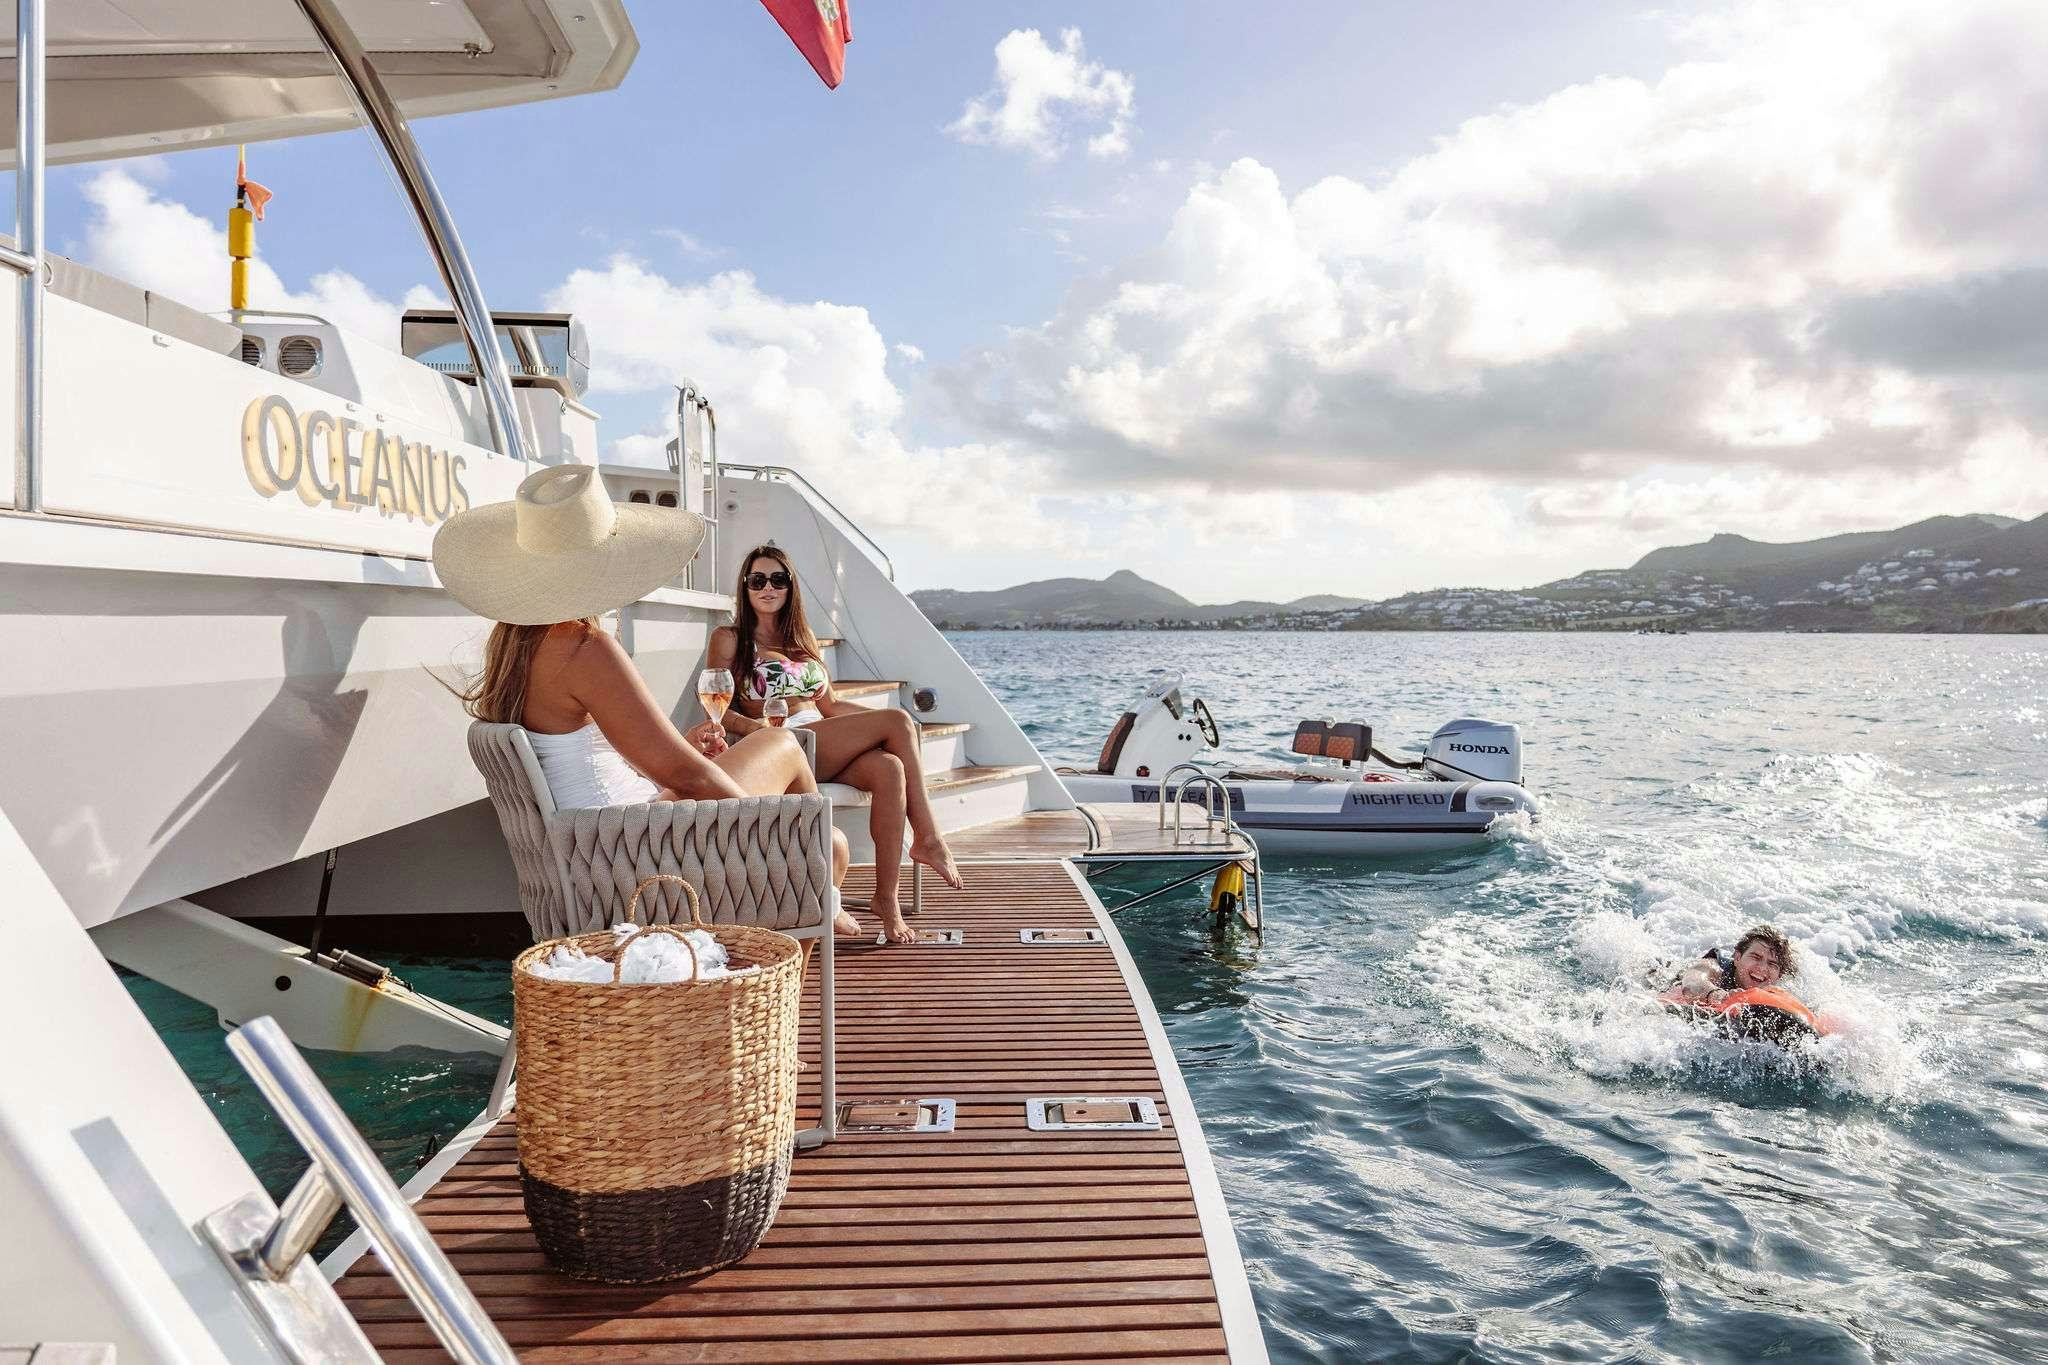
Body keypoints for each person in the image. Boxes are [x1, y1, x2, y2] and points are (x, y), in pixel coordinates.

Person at [433, 464, 860, 937]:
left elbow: (594, 755)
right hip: (637, 852)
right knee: (815, 812)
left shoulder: (514, 646)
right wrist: (765, 834)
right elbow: (687, 775)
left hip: (600, 847)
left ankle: (816, 889)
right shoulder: (582, 645)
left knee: (809, 819)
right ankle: (817, 896)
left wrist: (685, 746)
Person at [708, 544, 963, 945]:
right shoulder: (730, 638)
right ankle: (928, 839)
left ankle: (887, 900)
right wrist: (755, 730)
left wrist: (876, 720)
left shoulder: (802, 637)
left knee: (890, 767)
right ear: (746, 587)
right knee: (897, 721)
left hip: (822, 741)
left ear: (790, 586)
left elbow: (826, 705)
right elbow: (716, 703)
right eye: (758, 580)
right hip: (781, 745)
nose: (768, 588)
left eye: (778, 579)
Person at [1672, 925, 1797, 1005]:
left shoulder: (1781, 990)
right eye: (1756, 957)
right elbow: (1693, 982)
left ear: (1779, 975)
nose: (1762, 968)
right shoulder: (1714, 967)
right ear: (1737, 957)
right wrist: (1716, 995)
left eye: (1772, 964)